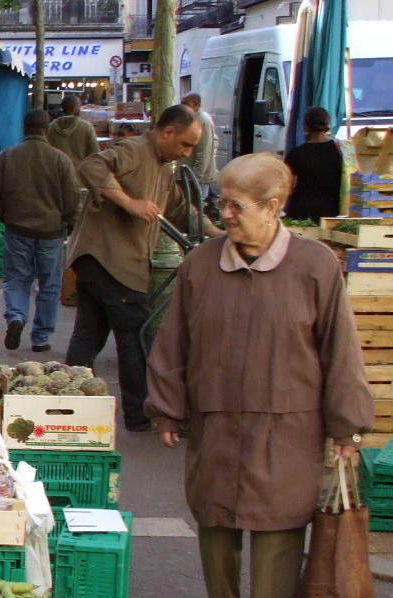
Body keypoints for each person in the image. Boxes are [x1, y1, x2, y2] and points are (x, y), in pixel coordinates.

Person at [147, 153, 372, 598]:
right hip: (216, 433)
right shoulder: (200, 266)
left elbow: (340, 350)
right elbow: (173, 344)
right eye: (223, 204)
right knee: (216, 536)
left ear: (272, 207)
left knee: (277, 551)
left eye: (236, 206)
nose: (224, 215)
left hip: (287, 435)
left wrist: (348, 428)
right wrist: (167, 410)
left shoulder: (316, 266)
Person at [66, 104, 219, 432]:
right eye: (186, 145)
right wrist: (128, 202)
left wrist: (222, 234)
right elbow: (92, 165)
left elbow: (180, 209)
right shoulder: (135, 150)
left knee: (90, 333)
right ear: (167, 133)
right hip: (111, 260)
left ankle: (68, 400)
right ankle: (139, 414)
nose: (189, 153)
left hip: (105, 261)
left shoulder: (165, 168)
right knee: (134, 334)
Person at [0, 109, 80, 352]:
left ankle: (16, 316)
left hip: (17, 229)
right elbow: (72, 200)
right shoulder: (61, 160)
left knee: (17, 278)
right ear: (47, 130)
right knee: (49, 284)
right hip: (52, 232)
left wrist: (3, 217)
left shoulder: (8, 157)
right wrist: (67, 223)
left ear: (24, 128)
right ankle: (41, 337)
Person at [284, 106, 353, 221]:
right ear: (328, 124)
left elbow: (287, 188)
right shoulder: (341, 151)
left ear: (306, 126)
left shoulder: (295, 154)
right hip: (332, 215)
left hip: (301, 215)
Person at [181, 94, 218, 201]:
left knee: (196, 205)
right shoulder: (193, 118)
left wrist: (196, 177)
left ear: (196, 105)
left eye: (185, 103)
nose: (182, 106)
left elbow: (204, 151)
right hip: (191, 174)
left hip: (198, 177)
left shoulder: (202, 121)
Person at [47, 95, 99, 169]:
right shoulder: (87, 127)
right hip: (79, 175)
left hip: (56, 174)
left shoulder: (50, 127)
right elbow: (94, 155)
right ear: (74, 109)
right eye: (79, 106)